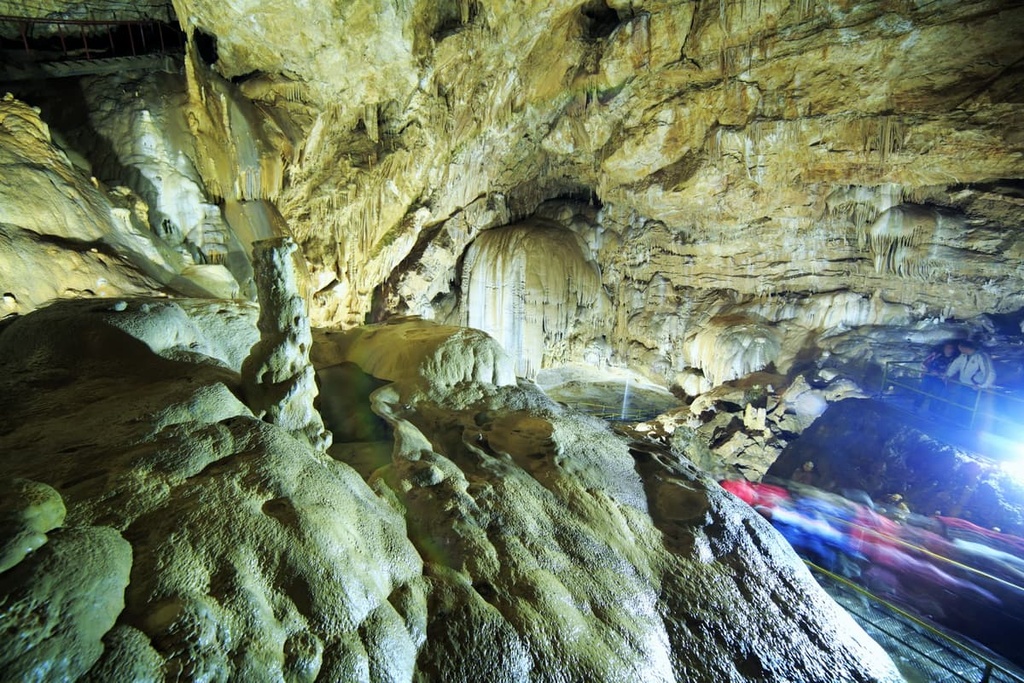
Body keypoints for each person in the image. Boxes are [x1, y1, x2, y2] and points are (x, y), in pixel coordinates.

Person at [944, 340, 996, 425]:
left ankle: (966, 424)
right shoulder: (964, 356)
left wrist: (982, 385)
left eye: (960, 348)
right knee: (960, 403)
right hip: (963, 384)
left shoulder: (981, 357)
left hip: (973, 387)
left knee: (969, 406)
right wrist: (948, 374)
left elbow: (989, 372)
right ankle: (957, 422)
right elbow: (956, 364)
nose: (960, 350)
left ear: (966, 348)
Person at [917, 342, 958, 412]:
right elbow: (924, 363)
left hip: (939, 380)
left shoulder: (954, 360)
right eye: (947, 348)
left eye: (951, 348)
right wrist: (929, 370)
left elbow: (951, 371)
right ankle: (916, 407)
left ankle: (932, 412)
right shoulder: (937, 355)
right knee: (922, 392)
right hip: (929, 377)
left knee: (936, 396)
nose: (949, 350)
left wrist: (939, 374)